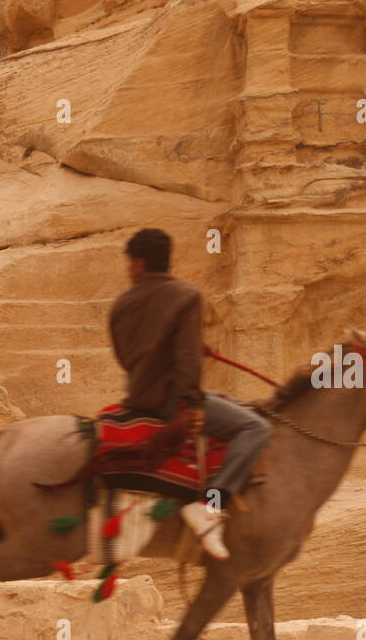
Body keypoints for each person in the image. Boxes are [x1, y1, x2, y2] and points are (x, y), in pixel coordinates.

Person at [108, 228, 270, 560]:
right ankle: (211, 505)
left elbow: (128, 356)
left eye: (129, 263)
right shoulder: (186, 296)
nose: (129, 269)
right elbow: (185, 361)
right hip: (172, 401)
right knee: (255, 428)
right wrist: (191, 404)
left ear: (138, 264)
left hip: (138, 396)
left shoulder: (122, 304)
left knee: (228, 402)